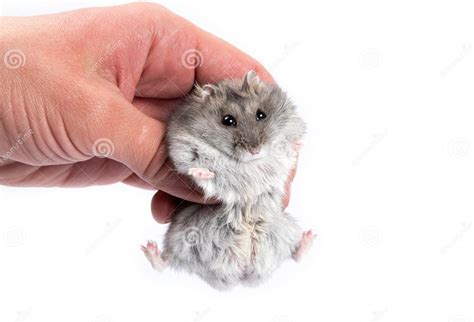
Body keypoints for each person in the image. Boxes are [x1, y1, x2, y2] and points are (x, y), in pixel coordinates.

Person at [0, 3, 297, 223]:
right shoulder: (190, 133)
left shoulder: (273, 118)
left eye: (260, 117)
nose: (253, 141)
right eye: (229, 121)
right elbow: (179, 157)